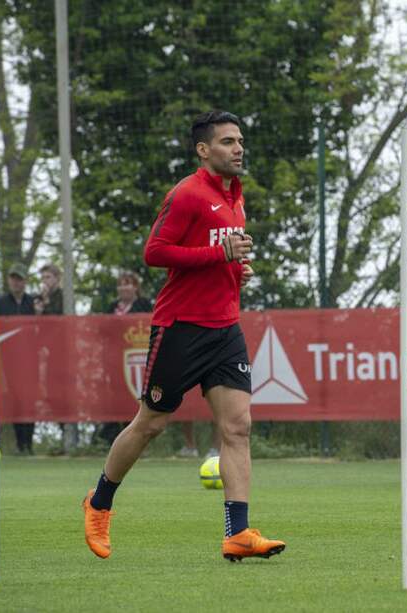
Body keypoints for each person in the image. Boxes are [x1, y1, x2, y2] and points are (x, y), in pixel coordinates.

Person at [82, 110, 284, 562]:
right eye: (228, 142)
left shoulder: (236, 198)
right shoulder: (187, 193)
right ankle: (99, 502)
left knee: (238, 427)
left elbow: (219, 257)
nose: (238, 149)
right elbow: (155, 252)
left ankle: (238, 533)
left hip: (225, 329)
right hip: (181, 328)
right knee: (151, 424)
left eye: (240, 141)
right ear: (203, 150)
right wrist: (219, 254)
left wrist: (236, 270)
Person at [92, 271, 154, 447]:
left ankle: (138, 438)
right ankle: (114, 439)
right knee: (116, 397)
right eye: (120, 284)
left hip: (140, 358)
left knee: (138, 398)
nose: (123, 287)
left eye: (127, 283)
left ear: (135, 287)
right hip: (115, 360)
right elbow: (103, 331)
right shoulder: (112, 306)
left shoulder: (144, 304)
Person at [0, 263, 36, 454]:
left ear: (25, 281)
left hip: (31, 359)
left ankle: (28, 444)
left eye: (19, 279)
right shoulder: (0, 303)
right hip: (8, 359)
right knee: (14, 399)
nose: (16, 282)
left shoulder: (32, 302)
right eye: (13, 278)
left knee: (30, 399)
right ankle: (20, 444)